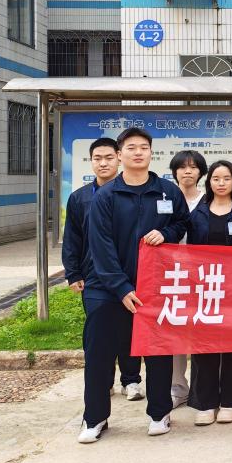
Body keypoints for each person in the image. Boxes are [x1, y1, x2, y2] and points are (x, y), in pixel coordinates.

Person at [79, 127, 191, 443]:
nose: (138, 152)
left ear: (151, 153)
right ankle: (95, 418)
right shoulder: (105, 196)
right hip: (107, 289)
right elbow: (100, 244)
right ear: (120, 154)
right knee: (99, 356)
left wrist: (166, 233)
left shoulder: (167, 191)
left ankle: (159, 413)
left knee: (158, 353)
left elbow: (182, 222)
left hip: (155, 287)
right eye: (131, 147)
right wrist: (121, 288)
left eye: (144, 147)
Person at [62, 137, 143, 402]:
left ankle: (131, 379)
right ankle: (104, 381)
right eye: (97, 158)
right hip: (94, 277)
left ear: (119, 158)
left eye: (109, 157)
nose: (103, 163)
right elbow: (72, 238)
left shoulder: (129, 194)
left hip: (129, 273)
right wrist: (73, 273)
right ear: (91, 162)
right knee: (99, 333)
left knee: (129, 328)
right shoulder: (79, 198)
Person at [186, 160, 232, 425]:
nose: (221, 183)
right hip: (206, 288)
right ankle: (205, 402)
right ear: (209, 182)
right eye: (216, 178)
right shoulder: (198, 214)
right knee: (204, 347)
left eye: (227, 178)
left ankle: (230, 401)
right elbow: (191, 252)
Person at [167, 149, 207, 409]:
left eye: (193, 167)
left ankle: (205, 388)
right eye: (182, 167)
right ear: (175, 172)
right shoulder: (166, 198)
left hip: (204, 276)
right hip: (173, 274)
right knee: (175, 331)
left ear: (201, 172)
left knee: (204, 330)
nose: (188, 171)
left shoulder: (209, 199)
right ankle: (178, 387)